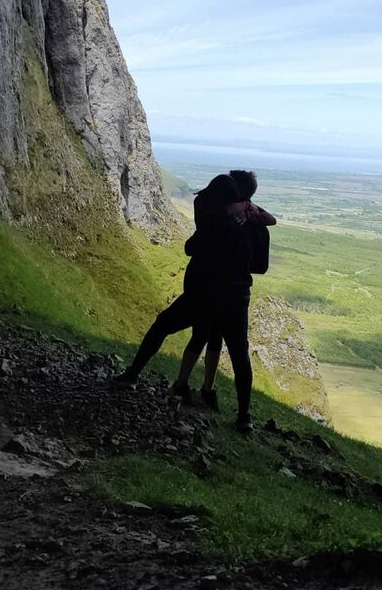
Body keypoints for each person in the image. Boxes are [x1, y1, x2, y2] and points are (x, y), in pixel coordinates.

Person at [113, 170, 276, 431]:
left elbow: (191, 247)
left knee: (162, 325)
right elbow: (260, 267)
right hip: (237, 296)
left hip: (204, 293)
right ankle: (244, 416)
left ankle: (132, 375)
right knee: (239, 353)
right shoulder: (258, 228)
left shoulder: (217, 222)